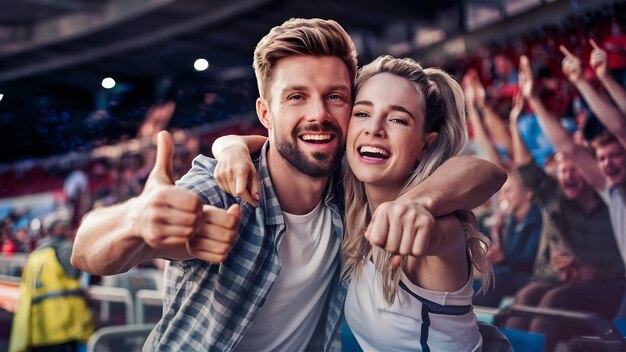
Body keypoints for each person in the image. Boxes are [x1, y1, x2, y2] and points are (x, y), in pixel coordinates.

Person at [72, 18, 505, 351]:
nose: (318, 114)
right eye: (296, 97)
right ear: (265, 112)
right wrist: (134, 219)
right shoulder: (225, 190)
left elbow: (484, 171)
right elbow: (87, 251)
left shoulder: (346, 188)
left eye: (335, 97)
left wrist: (419, 202)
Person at [497, 56, 626, 351]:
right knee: (528, 300)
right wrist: (531, 100)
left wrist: (591, 79)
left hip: (615, 286)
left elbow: (619, 125)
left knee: (556, 300)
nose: (607, 163)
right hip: (593, 286)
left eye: (615, 156)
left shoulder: (607, 194)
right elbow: (565, 147)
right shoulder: (612, 190)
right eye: (602, 158)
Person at [10, 210, 94, 352]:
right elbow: (80, 274)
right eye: (64, 226)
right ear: (56, 229)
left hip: (38, 330)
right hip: (64, 329)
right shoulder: (65, 249)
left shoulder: (34, 257)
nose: (68, 230)